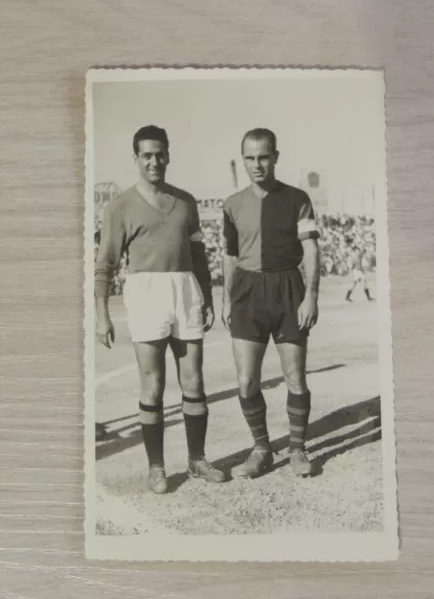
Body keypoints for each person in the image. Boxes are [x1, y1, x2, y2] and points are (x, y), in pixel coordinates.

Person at [95, 125, 225, 494]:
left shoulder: (187, 201)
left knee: (194, 381)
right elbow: (105, 262)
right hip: (145, 291)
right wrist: (102, 312)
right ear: (136, 158)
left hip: (185, 289)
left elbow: (198, 254)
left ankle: (197, 460)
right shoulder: (119, 206)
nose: (154, 161)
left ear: (169, 155)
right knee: (153, 385)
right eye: (146, 155)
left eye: (159, 153)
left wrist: (207, 297)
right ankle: (156, 468)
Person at [221, 128, 320, 478]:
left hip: (288, 289)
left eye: (263, 156)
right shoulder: (232, 204)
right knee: (247, 380)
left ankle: (297, 448)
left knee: (295, 376)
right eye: (250, 157)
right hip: (247, 292)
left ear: (276, 156)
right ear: (243, 159)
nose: (257, 164)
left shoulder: (297, 198)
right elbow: (230, 256)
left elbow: (310, 248)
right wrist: (226, 299)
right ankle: (262, 447)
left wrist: (310, 295)